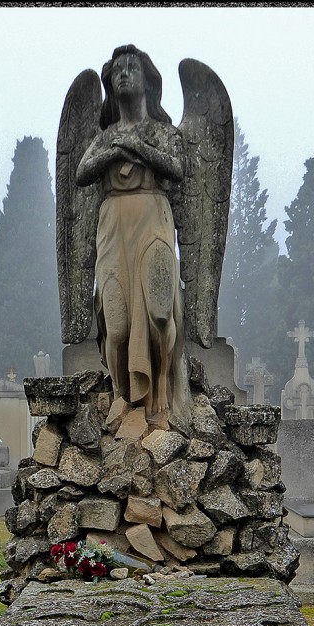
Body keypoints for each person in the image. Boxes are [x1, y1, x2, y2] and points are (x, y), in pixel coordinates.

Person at [76, 45, 187, 419]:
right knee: (117, 326)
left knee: (159, 312)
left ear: (147, 81)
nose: (123, 73)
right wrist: (117, 147)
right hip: (113, 229)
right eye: (117, 69)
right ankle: (121, 392)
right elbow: (81, 172)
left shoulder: (162, 132)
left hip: (153, 219)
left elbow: (177, 167)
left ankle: (160, 384)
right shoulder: (105, 137)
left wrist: (136, 145)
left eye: (132, 68)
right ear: (110, 82)